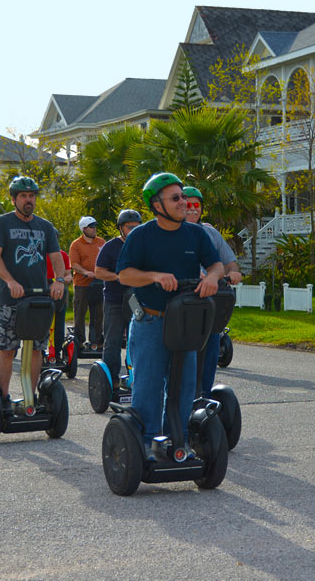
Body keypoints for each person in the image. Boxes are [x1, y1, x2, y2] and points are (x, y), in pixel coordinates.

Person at [116, 172, 223, 455]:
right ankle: (147, 444)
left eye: (184, 197)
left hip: (184, 324)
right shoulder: (141, 235)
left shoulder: (196, 233)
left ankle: (178, 441)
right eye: (176, 198)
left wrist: (212, 277)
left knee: (186, 386)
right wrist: (154, 276)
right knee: (147, 387)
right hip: (151, 320)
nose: (184, 203)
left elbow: (216, 265)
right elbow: (125, 275)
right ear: (157, 205)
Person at [0, 176, 64, 408]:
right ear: (13, 199)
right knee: (8, 349)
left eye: (32, 196)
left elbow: (56, 258)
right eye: (23, 196)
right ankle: (5, 398)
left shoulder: (45, 226)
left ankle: (31, 397)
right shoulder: (1, 223)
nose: (28, 200)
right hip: (11, 299)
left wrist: (59, 280)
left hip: (38, 298)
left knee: (37, 350)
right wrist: (9, 281)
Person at [183, 185, 242, 397]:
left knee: (212, 345)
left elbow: (229, 262)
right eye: (187, 204)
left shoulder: (209, 232)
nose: (192, 209)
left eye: (196, 205)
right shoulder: (171, 232)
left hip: (210, 304)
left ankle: (204, 395)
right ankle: (182, 398)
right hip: (182, 304)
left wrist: (233, 272)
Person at [94, 209, 142, 384]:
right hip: (114, 300)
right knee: (112, 341)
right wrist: (118, 277)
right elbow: (98, 272)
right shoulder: (110, 246)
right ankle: (110, 380)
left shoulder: (142, 246)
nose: (134, 230)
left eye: (137, 227)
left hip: (135, 300)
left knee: (138, 339)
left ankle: (137, 377)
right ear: (121, 228)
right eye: (130, 227)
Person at [69, 216, 105, 350]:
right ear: (84, 229)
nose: (94, 228)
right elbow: (74, 264)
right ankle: (79, 342)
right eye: (91, 226)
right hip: (82, 284)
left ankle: (96, 342)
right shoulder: (76, 244)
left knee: (98, 312)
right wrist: (86, 272)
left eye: (95, 226)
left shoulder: (101, 242)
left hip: (99, 283)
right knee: (80, 312)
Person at [45, 233, 72, 362]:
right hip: (42, 291)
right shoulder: (37, 255)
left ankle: (57, 353)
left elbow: (69, 276)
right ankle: (40, 351)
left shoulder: (63, 255)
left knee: (59, 323)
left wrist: (59, 281)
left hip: (58, 290)